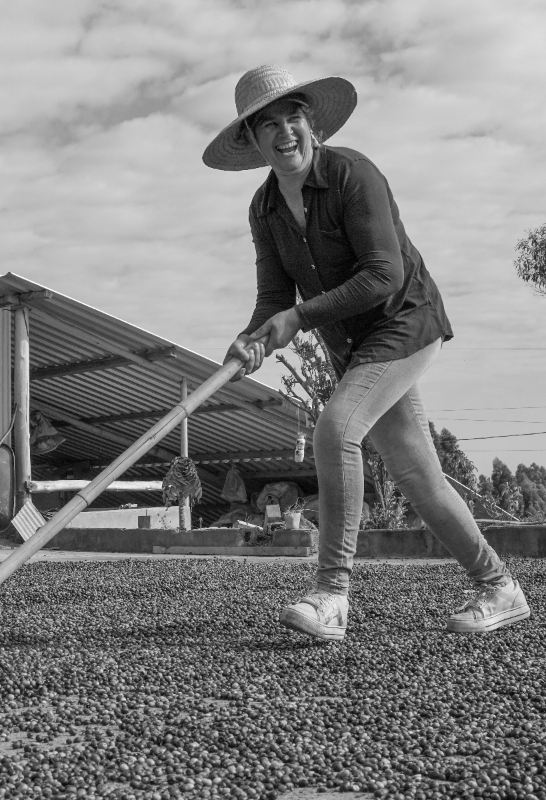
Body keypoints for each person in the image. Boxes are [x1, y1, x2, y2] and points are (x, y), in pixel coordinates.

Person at [203, 65, 530, 642]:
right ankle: (499, 586)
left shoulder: (354, 174)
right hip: (352, 345)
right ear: (252, 141)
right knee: (417, 474)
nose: (285, 132)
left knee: (336, 430)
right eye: (269, 124)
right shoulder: (265, 210)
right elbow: (274, 298)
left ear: (311, 123)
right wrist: (252, 337)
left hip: (404, 324)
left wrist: (296, 319)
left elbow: (383, 274)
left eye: (294, 117)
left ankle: (332, 594)